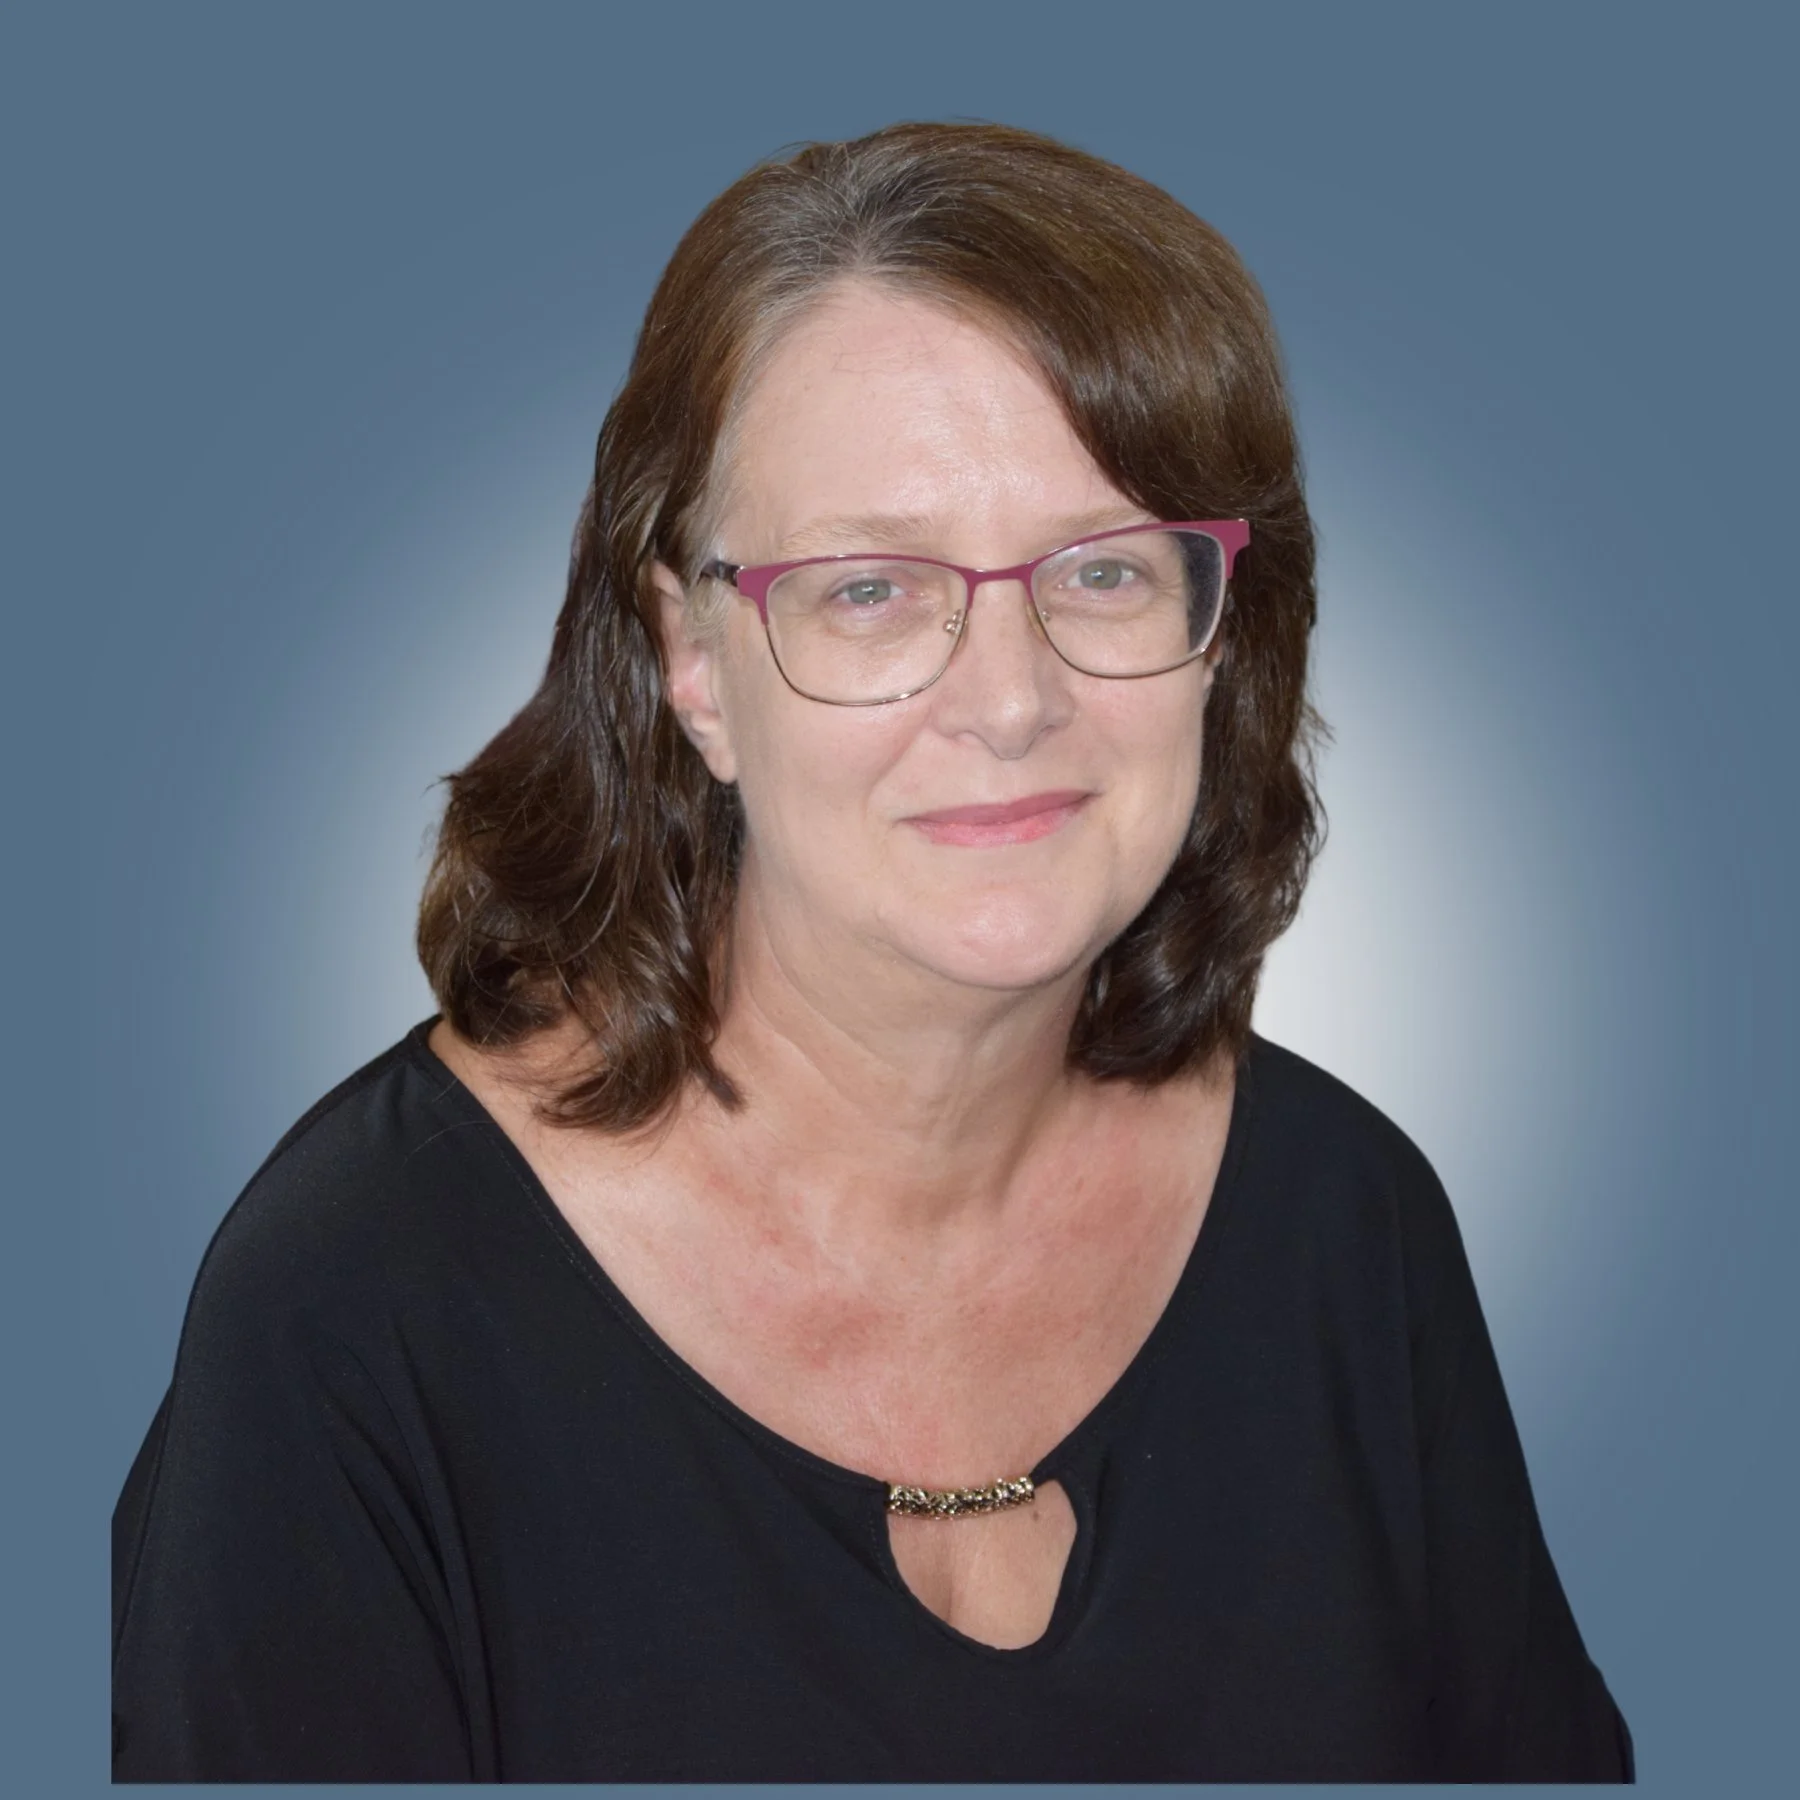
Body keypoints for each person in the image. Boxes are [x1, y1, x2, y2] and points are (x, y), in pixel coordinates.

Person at [110, 121, 1634, 1782]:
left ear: (1221, 630)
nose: (1010, 699)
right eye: (872, 593)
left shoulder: (1350, 1225)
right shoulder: (350, 1313)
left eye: (1106, 569)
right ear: (692, 658)